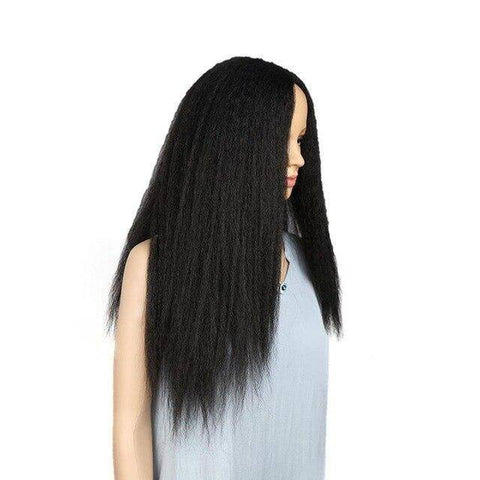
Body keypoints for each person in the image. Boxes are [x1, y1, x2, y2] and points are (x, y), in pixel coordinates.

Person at [106, 56, 342, 480]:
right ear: (234, 144)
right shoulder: (154, 266)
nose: (299, 158)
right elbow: (131, 427)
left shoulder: (310, 265)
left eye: (301, 140)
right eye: (282, 140)